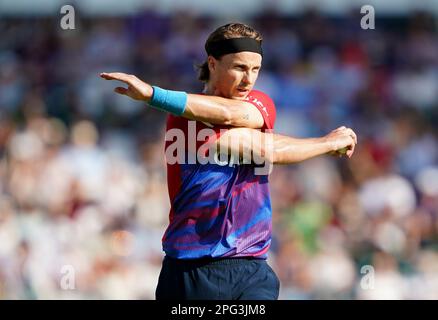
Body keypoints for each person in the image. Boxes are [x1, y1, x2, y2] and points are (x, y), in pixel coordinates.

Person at [100, 22, 357, 300]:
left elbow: (236, 116)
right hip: (193, 269)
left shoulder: (259, 103)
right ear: (212, 63)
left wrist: (155, 96)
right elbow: (256, 143)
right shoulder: (183, 117)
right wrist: (154, 95)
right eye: (239, 68)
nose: (249, 80)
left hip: (252, 267)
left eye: (255, 69)